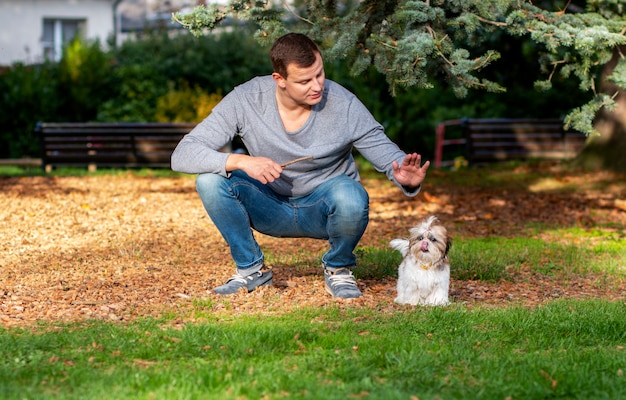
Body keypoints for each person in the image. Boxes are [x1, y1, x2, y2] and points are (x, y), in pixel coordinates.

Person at [171, 32, 430, 299]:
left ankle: (339, 269)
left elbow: (387, 155)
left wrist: (404, 177)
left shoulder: (344, 103)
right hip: (269, 204)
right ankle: (250, 270)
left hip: (325, 211)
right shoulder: (246, 99)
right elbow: (183, 153)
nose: (317, 86)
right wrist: (240, 161)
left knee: (352, 193)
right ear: (279, 80)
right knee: (209, 181)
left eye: (320, 74)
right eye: (304, 81)